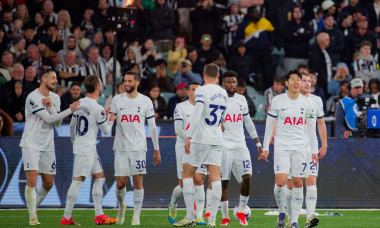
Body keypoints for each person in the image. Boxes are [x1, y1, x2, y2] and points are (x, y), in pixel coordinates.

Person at [19, 67, 80, 225]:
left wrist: (52, 106)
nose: (56, 81)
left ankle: (32, 206)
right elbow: (48, 119)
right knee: (32, 179)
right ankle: (33, 217)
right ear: (44, 79)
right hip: (31, 142)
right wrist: (70, 110)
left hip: (47, 144)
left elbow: (58, 123)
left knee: (48, 182)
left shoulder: (55, 98)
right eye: (53, 78)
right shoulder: (33, 97)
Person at [261, 69, 318, 228]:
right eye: (293, 79)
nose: (296, 82)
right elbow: (270, 124)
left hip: (300, 148)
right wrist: (265, 147)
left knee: (298, 183)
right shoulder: (278, 101)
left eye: (298, 79)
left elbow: (311, 130)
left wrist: (314, 151)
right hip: (282, 147)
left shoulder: (307, 104)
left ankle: (293, 221)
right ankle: (281, 210)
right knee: (280, 182)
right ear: (286, 83)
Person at [174, 63, 227, 227]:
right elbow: (223, 117)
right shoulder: (223, 93)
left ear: (204, 75)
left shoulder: (201, 91)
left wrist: (188, 137)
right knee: (215, 177)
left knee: (187, 175)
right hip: (217, 138)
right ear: (218, 76)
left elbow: (196, 114)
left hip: (200, 138)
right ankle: (212, 220)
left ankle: (190, 216)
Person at [60, 75, 117, 225]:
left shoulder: (78, 103)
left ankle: (99, 215)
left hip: (85, 146)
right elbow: (106, 131)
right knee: (78, 180)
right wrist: (111, 119)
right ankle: (66, 217)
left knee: (99, 177)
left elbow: (72, 125)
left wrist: (73, 140)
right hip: (86, 148)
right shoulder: (97, 108)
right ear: (98, 88)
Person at [111, 71, 161, 226]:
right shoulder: (116, 100)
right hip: (120, 147)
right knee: (120, 183)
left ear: (137, 83)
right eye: (125, 81)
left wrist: (156, 149)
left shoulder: (146, 101)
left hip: (139, 146)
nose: (127, 84)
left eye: (130, 81)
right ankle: (121, 206)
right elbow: (109, 122)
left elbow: (152, 127)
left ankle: (136, 217)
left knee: (138, 181)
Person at [284, 72, 328, 228]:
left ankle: (309, 218)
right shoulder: (289, 100)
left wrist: (324, 144)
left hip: (311, 147)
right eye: (304, 81)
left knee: (311, 180)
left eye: (309, 81)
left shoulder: (316, 101)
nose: (308, 84)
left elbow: (321, 124)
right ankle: (291, 218)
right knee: (293, 184)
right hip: (293, 147)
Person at [219, 71, 263, 226]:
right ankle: (225, 216)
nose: (232, 85)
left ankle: (241, 210)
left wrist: (258, 143)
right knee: (223, 182)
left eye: (234, 82)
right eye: (229, 82)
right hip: (223, 146)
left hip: (240, 145)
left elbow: (248, 122)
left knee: (247, 177)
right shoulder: (218, 100)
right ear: (223, 83)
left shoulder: (242, 99)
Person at [168, 81, 208, 226]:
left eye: (198, 90)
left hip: (200, 147)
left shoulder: (205, 108)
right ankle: (173, 203)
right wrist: (190, 138)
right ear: (188, 92)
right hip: (183, 147)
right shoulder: (181, 107)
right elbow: (178, 130)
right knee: (184, 183)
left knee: (199, 180)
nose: (195, 92)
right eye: (192, 90)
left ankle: (198, 216)